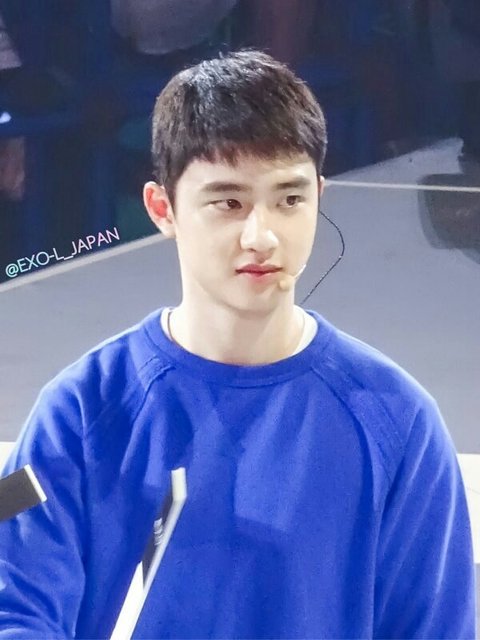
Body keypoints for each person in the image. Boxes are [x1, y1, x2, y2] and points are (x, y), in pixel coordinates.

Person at [0, 50, 476, 639]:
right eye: (229, 202)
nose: (262, 235)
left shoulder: (400, 423)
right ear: (163, 208)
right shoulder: (74, 414)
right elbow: (14, 610)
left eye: (289, 199)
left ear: (319, 197)